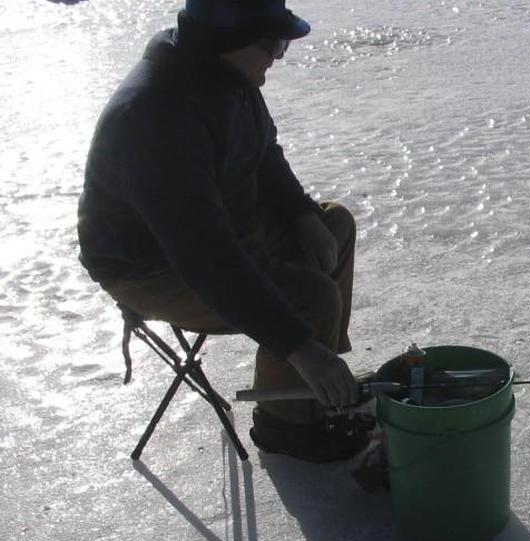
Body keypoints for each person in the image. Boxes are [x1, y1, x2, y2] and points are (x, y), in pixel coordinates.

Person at [77, 0, 368, 462]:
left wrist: (302, 214)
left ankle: (310, 385)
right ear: (227, 40)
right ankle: (286, 424)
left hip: (219, 228)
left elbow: (263, 152)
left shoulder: (227, 76)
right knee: (310, 298)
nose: (278, 56)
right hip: (151, 267)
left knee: (335, 225)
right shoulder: (157, 117)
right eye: (272, 44)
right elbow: (204, 259)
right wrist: (300, 346)